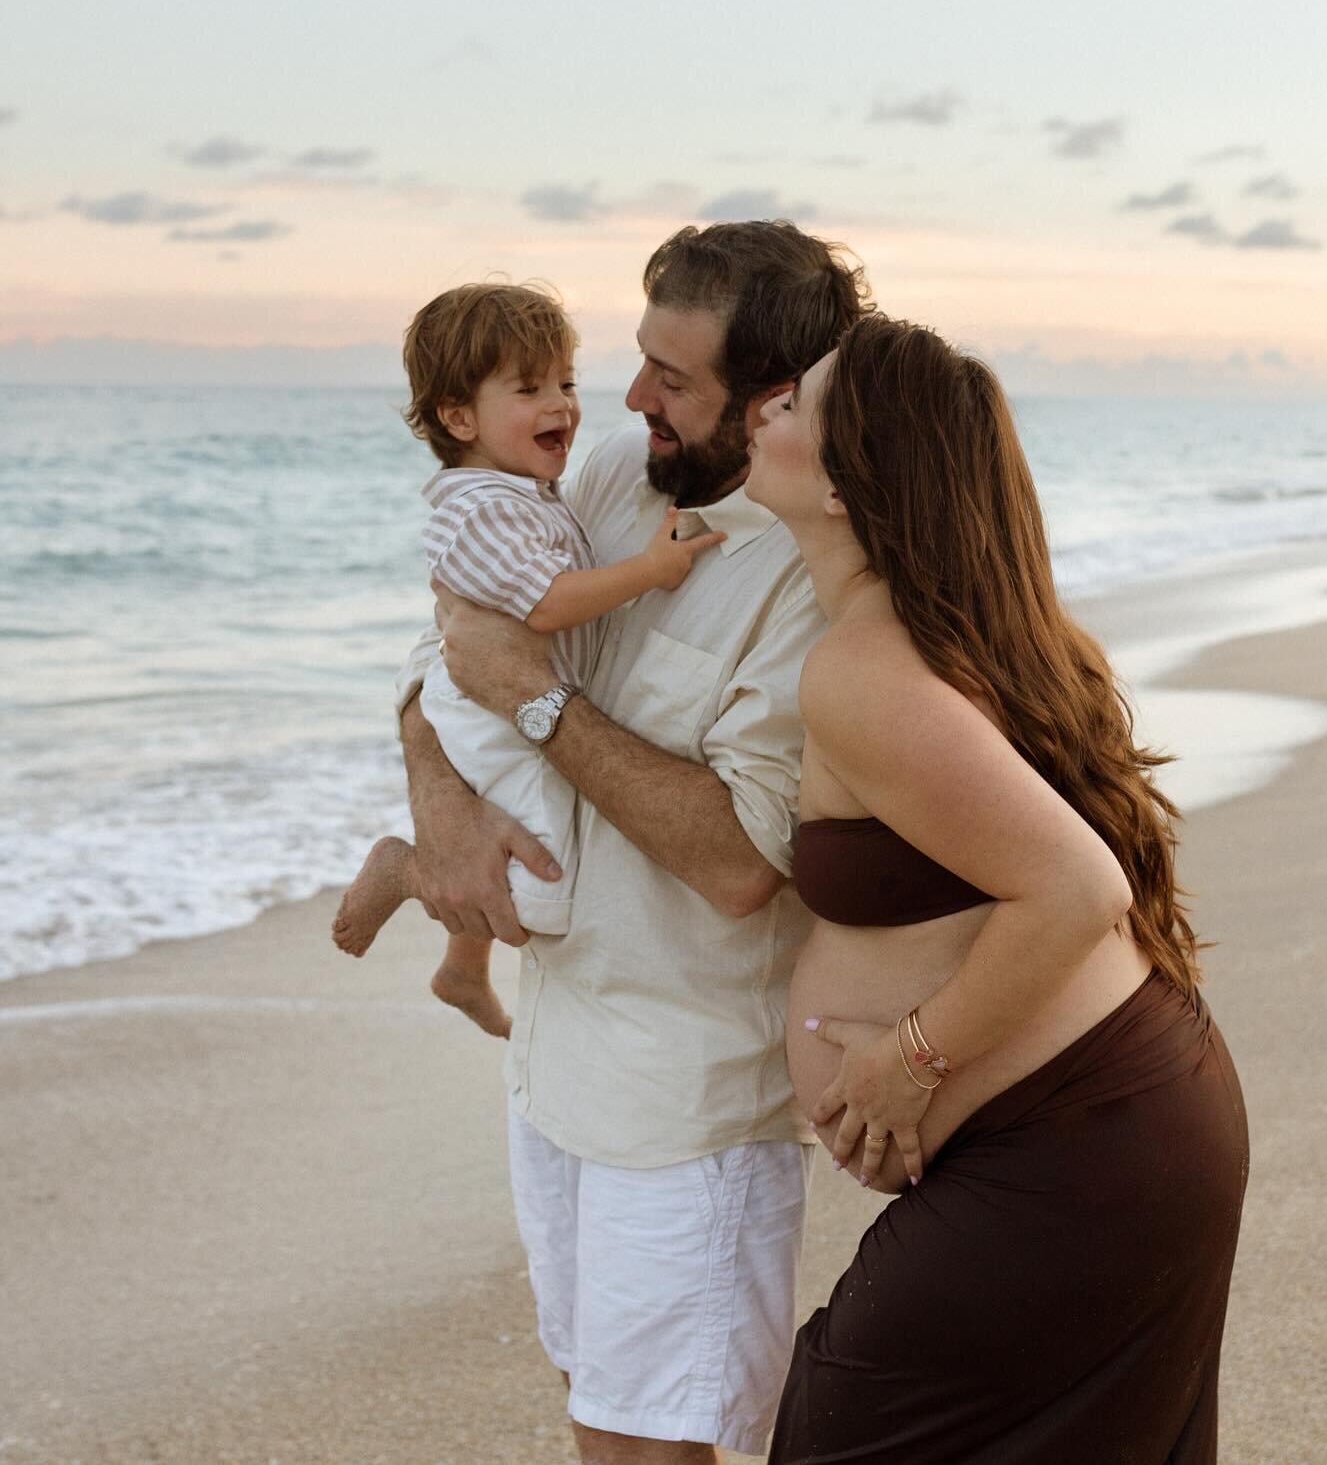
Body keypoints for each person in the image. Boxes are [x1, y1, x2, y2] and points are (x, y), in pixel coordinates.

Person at [397, 223, 872, 1462]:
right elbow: (441, 655)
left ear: (774, 397)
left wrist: (538, 701)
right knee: (591, 1405)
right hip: (552, 1069)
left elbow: (737, 864)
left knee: (649, 1448)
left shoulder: (813, 577)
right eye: (640, 357)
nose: (626, 396)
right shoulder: (603, 474)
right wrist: (443, 812)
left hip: (688, 1107)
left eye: (674, 378)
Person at [744, 316, 1249, 1464]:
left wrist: (904, 1061)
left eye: (796, 403)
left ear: (847, 481)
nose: (767, 409)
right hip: (1118, 1134)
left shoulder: (869, 670)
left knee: (837, 1425)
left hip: (1085, 1151)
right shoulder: (934, 637)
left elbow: (1078, 887)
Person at [331, 281, 723, 1038]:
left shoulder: (528, 493)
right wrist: (651, 571)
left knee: (507, 834)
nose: (562, 405)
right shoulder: (483, 510)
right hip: (488, 712)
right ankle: (405, 871)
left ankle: (461, 970)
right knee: (541, 888)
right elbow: (544, 604)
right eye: (529, 388)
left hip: (502, 703)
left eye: (567, 383)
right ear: (458, 416)